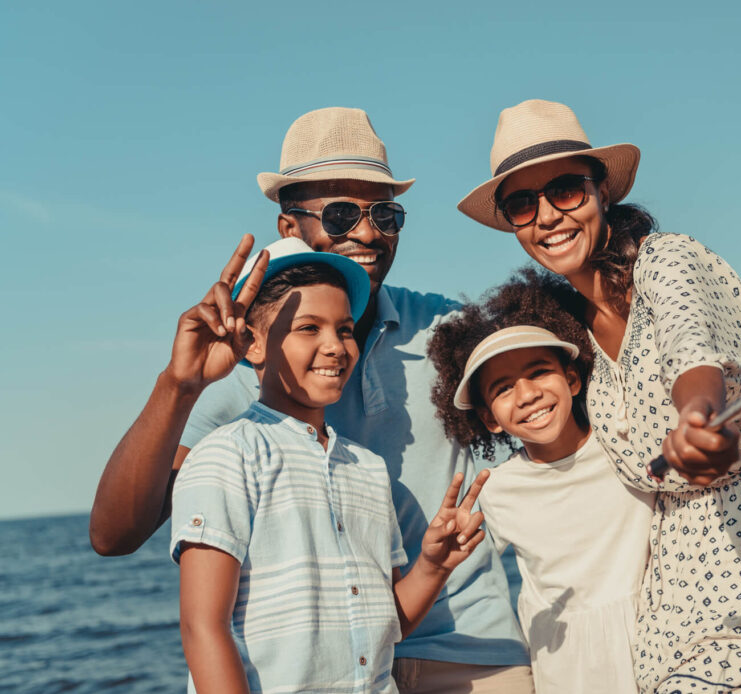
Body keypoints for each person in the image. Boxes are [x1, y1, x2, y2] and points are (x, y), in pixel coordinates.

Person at [90, 107, 533, 693]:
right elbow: (114, 536)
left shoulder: (448, 330)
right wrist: (180, 385)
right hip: (307, 669)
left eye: (386, 214)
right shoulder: (245, 361)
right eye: (343, 214)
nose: (370, 232)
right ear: (287, 226)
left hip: (472, 651)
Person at [456, 100, 741, 693]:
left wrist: (700, 421)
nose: (547, 215)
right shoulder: (571, 334)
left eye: (566, 190)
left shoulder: (666, 261)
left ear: (602, 189)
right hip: (679, 580)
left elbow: (694, 356)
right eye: (523, 203)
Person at [173, 238, 489, 693]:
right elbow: (203, 629)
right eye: (308, 328)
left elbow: (383, 624)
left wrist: (434, 567)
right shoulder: (227, 455)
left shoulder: (368, 470)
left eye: (344, 329)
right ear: (254, 345)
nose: (335, 346)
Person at [425, 270, 652, 694]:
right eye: (504, 387)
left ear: (572, 378)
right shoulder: (496, 490)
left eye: (539, 372)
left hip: (655, 641)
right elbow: (464, 569)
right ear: (490, 418)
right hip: (565, 665)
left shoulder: (626, 444)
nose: (527, 394)